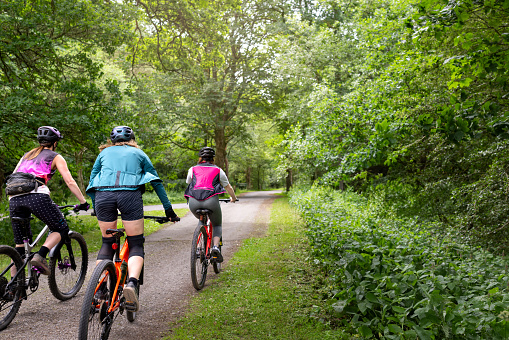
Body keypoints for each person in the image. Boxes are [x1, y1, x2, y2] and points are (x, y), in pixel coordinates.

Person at [86, 126, 179, 312]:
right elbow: (156, 182)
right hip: (129, 194)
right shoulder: (139, 153)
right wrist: (168, 210)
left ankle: (100, 289)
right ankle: (131, 284)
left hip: (103, 196)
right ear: (132, 140)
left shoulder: (103, 154)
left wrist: (96, 205)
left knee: (107, 242)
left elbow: (92, 181)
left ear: (112, 141)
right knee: (136, 244)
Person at [8, 126, 90, 275]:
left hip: (13, 198)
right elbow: (70, 181)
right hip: (36, 196)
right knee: (61, 228)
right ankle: (41, 255)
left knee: (20, 245)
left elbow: (14, 176)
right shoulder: (55, 156)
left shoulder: (27, 155)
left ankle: (14, 287)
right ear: (55, 142)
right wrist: (83, 202)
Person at [184, 146, 237, 262]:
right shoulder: (218, 170)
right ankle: (215, 247)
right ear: (213, 158)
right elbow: (228, 187)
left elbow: (188, 182)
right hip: (211, 201)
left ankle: (198, 249)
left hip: (193, 202)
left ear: (200, 158)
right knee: (217, 224)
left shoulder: (192, 169)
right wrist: (233, 198)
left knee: (201, 221)